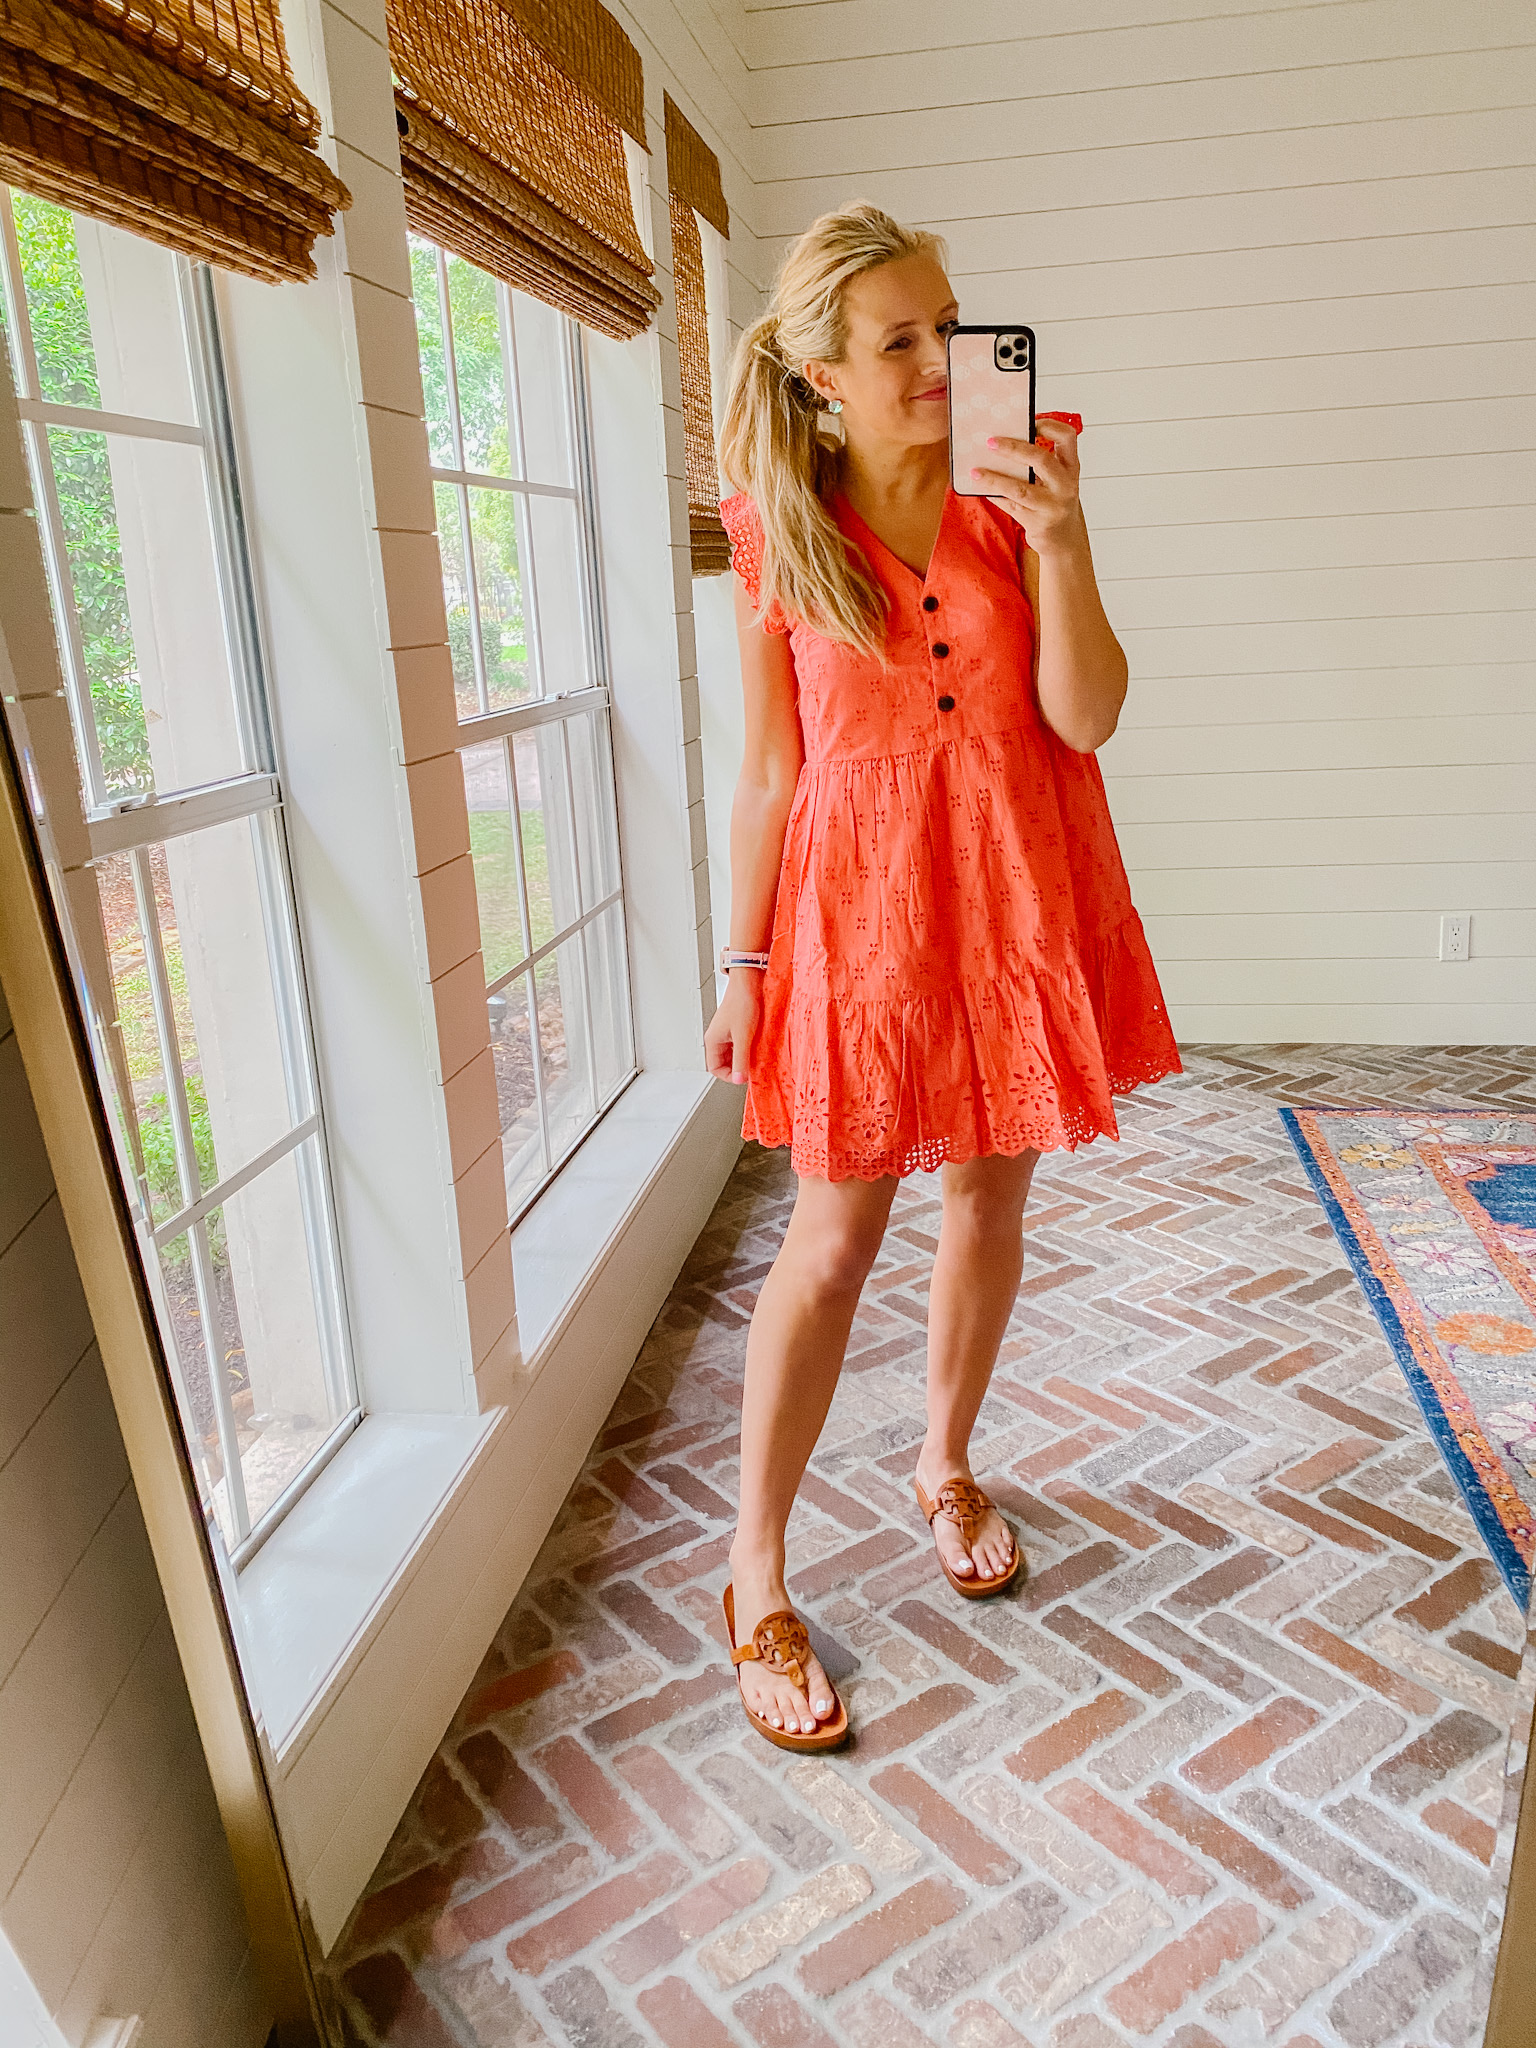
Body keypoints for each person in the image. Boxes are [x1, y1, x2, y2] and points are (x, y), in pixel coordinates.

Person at [704, 203, 1180, 1752]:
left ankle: (943, 1460)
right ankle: (752, 1567)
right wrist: (745, 963)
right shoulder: (776, 523)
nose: (941, 361)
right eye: (899, 340)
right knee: (833, 1244)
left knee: (990, 1200)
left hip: (1017, 897)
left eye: (949, 325)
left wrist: (1062, 536)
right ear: (825, 374)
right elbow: (772, 772)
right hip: (866, 925)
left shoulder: (1011, 499)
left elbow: (1089, 717)